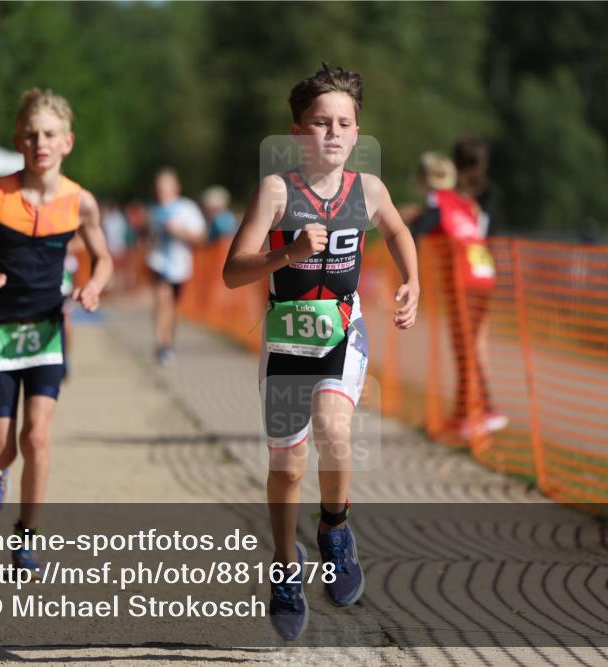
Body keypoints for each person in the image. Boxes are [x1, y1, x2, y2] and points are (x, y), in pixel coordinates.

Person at [222, 64, 419, 640]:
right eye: (319, 123)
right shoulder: (277, 191)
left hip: (342, 331)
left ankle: (335, 527)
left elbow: (400, 232)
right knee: (286, 469)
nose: (332, 134)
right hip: (286, 338)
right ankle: (285, 569)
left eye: (344, 123)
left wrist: (414, 282)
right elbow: (233, 271)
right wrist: (286, 255)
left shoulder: (369, 190)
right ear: (297, 132)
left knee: (335, 430)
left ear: (358, 133)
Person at [0, 88, 112, 571]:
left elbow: (103, 259)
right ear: (20, 141)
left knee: (36, 437)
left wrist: (94, 286)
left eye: (50, 135)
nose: (40, 142)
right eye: (32, 134)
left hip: (45, 330)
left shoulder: (80, 202)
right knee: (3, 449)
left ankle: (26, 535)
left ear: (67, 142)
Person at [411, 152, 506, 441]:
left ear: (423, 181)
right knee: (468, 346)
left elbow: (421, 227)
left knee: (465, 347)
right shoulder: (463, 202)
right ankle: (466, 413)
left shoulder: (435, 201)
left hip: (464, 279)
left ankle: (486, 409)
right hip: (483, 275)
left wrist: (409, 265)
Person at [147, 168, 206, 366]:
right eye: (158, 187)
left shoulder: (186, 208)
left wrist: (180, 232)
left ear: (176, 187)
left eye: (165, 186)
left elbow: (200, 237)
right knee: (162, 300)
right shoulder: (154, 209)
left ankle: (169, 342)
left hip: (180, 266)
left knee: (172, 307)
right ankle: (161, 344)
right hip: (158, 262)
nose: (161, 191)